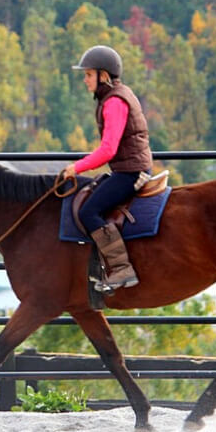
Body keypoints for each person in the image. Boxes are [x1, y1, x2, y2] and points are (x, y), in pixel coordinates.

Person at [63, 45, 153, 292]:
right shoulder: (116, 95)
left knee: (89, 211)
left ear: (103, 75)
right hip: (127, 169)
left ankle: (122, 269)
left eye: (88, 74)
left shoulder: (114, 102)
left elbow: (108, 150)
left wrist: (77, 167)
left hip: (132, 173)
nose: (85, 80)